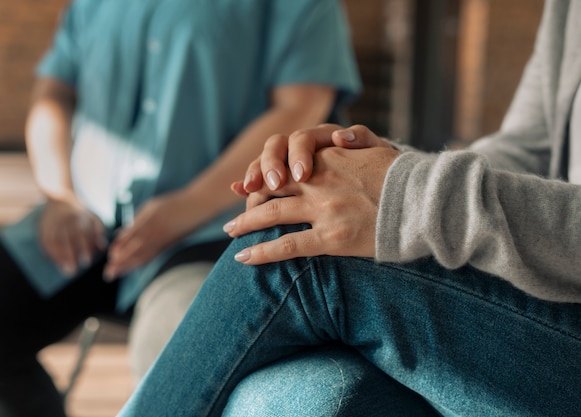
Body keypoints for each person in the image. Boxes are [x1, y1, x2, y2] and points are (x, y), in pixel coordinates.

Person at [118, 0, 581, 416]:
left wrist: (409, 194)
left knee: (298, 246)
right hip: (549, 291)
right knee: (303, 402)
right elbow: (527, 150)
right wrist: (374, 166)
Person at [0, 0, 361, 416]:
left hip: (210, 231)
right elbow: (55, 93)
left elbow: (300, 105)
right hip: (85, 222)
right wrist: (59, 195)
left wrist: (182, 210)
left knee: (179, 364)